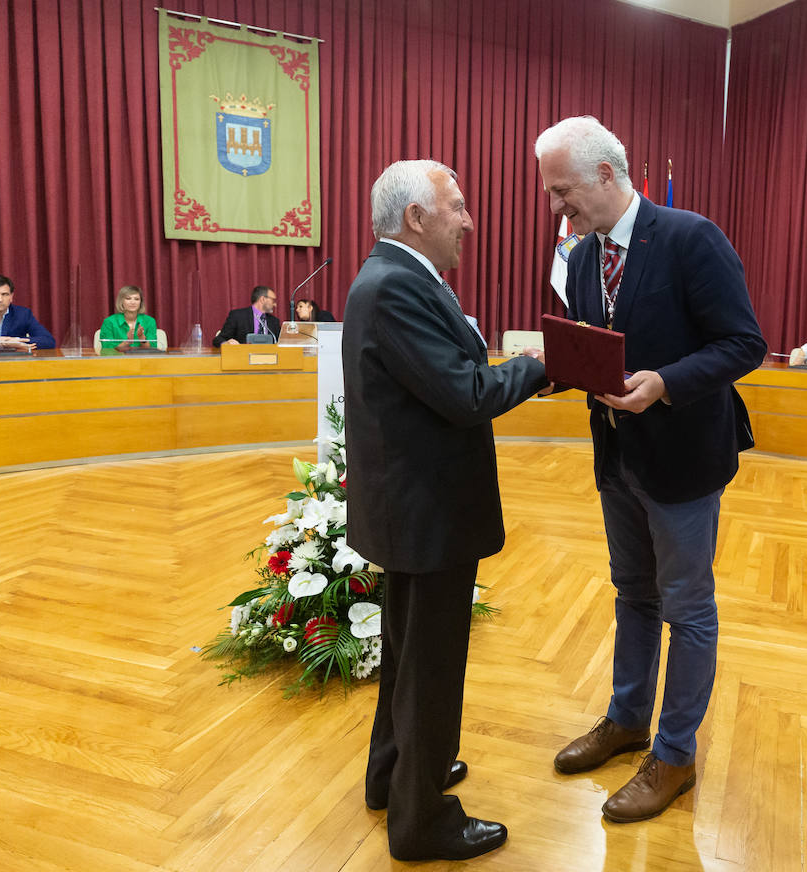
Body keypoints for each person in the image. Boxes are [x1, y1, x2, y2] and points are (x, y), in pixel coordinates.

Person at [535, 116, 767, 824]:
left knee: (687, 611)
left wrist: (664, 382)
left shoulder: (693, 238)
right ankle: (627, 719)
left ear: (608, 175)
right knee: (633, 594)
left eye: (563, 190)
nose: (556, 208)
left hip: (684, 461)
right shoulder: (579, 258)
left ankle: (674, 756)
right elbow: (598, 349)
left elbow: (744, 343)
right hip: (616, 459)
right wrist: (558, 369)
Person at [345, 160, 547, 862]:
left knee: (406, 657)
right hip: (426, 514)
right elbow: (464, 393)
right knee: (430, 669)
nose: (468, 220)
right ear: (416, 218)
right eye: (456, 206)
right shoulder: (398, 284)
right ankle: (422, 821)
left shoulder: (390, 278)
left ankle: (395, 777)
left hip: (411, 509)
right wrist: (546, 362)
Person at [98, 285, 158, 353]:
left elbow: (153, 350)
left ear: (140, 302)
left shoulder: (150, 321)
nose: (133, 302)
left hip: (142, 361)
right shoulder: (109, 322)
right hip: (117, 361)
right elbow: (107, 350)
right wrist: (127, 342)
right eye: (128, 298)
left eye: (136, 299)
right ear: (121, 301)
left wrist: (142, 339)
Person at [212, 286, 280, 346]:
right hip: (244, 358)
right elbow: (218, 340)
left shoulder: (274, 321)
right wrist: (227, 343)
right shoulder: (238, 316)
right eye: (273, 300)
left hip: (270, 358)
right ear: (263, 299)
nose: (275, 305)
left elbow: (280, 343)